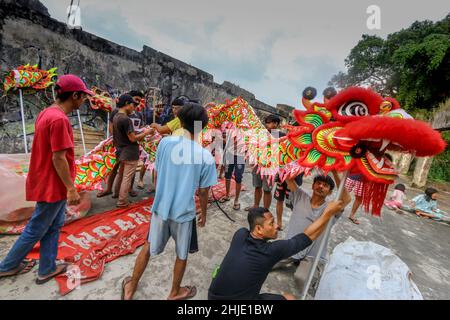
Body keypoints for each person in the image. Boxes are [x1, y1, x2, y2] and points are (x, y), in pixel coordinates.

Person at [0, 75, 93, 283]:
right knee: (36, 228)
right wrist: (71, 188)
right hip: (53, 184)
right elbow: (58, 158)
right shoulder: (59, 119)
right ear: (75, 95)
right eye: (83, 97)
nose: (84, 101)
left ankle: (47, 267)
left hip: (49, 181)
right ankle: (7, 266)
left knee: (53, 225)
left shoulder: (47, 113)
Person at [121, 102, 218, 300]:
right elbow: (203, 192)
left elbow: (157, 171)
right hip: (184, 213)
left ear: (180, 122)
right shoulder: (205, 156)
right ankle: (174, 292)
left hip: (161, 207)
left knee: (148, 246)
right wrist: (204, 216)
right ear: (203, 126)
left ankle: (131, 287)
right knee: (182, 254)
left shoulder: (165, 143)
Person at [208, 200, 345, 300]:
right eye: (271, 223)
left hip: (213, 296)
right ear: (259, 229)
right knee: (290, 299)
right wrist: (328, 213)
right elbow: (308, 236)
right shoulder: (271, 251)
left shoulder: (240, 234)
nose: (277, 226)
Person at [282, 171, 351, 290]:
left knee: (301, 280)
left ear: (330, 192)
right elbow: (288, 177)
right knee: (266, 262)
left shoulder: (331, 208)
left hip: (312, 256)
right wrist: (307, 164)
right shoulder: (300, 195)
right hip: (291, 247)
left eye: (325, 185)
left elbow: (346, 199)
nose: (321, 186)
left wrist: (334, 171)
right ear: (312, 185)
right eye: (318, 183)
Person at [97, 90, 146, 198]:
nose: (136, 104)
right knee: (118, 170)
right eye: (135, 101)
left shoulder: (138, 114)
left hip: (127, 144)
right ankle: (115, 194)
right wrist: (116, 138)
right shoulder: (120, 114)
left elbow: (140, 128)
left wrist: (142, 132)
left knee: (127, 172)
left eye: (139, 101)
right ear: (128, 101)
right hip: (123, 145)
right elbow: (112, 127)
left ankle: (124, 191)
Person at [112, 94, 153, 208]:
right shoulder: (126, 119)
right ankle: (122, 201)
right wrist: (146, 133)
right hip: (129, 151)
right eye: (132, 105)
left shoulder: (116, 117)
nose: (134, 108)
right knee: (127, 177)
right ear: (126, 104)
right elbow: (132, 138)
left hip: (120, 150)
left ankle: (116, 193)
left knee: (121, 174)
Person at [245, 115, 284, 211]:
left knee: (267, 190)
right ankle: (256, 206)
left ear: (276, 124)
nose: (267, 124)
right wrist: (252, 161)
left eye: (269, 122)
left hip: (270, 168)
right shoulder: (260, 133)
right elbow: (254, 146)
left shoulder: (281, 136)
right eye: (266, 122)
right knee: (257, 187)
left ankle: (265, 211)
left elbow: (283, 153)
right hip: (258, 165)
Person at [219, 128, 246, 211]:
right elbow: (226, 141)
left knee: (238, 177)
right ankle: (227, 195)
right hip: (229, 154)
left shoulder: (245, 128)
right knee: (227, 175)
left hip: (240, 156)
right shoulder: (229, 127)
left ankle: (236, 200)